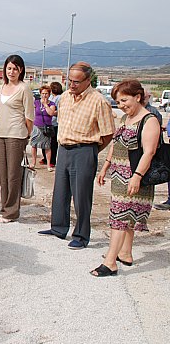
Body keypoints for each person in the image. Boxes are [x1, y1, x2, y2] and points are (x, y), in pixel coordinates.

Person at [39, 62, 115, 249]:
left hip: (84, 150)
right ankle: (58, 228)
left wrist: (91, 150)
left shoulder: (99, 101)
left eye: (76, 82)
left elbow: (107, 133)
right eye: (69, 80)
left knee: (82, 196)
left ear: (88, 80)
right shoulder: (64, 97)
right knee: (60, 192)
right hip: (64, 148)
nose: (72, 85)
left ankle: (81, 235)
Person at [93, 80, 159, 276]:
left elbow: (150, 152)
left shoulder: (150, 120)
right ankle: (125, 253)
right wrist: (105, 166)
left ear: (137, 97)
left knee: (120, 217)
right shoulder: (125, 119)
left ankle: (110, 262)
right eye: (118, 101)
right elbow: (116, 144)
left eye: (124, 100)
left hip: (135, 176)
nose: (121, 105)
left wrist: (136, 176)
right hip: (119, 175)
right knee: (125, 216)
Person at [0, 55, 34, 223]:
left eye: (15, 69)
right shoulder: (0, 88)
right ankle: (5, 207)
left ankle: (11, 211)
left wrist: (26, 134)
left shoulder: (24, 89)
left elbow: (29, 116)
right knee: (3, 175)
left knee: (13, 174)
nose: (11, 71)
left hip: (16, 134)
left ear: (21, 70)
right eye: (9, 68)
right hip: (1, 133)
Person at [29, 85, 56, 171]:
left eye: (46, 93)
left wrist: (45, 104)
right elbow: (31, 112)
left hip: (46, 128)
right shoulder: (36, 102)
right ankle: (33, 162)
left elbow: (51, 113)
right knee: (34, 145)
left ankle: (48, 164)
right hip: (36, 126)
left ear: (49, 94)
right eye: (43, 93)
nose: (44, 95)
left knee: (47, 146)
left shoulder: (52, 104)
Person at [40, 81, 63, 167]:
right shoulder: (54, 98)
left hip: (53, 123)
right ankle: (46, 158)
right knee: (46, 142)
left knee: (52, 143)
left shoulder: (58, 98)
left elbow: (57, 111)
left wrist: (52, 112)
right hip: (48, 122)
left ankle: (52, 160)